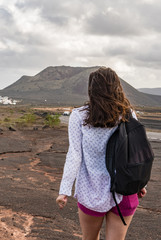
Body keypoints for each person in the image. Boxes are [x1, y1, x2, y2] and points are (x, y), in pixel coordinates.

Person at [56, 67, 147, 240]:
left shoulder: (79, 116)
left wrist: (64, 190)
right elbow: (136, 155)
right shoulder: (129, 114)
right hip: (124, 191)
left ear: (92, 89)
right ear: (117, 87)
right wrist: (140, 183)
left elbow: (74, 154)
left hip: (91, 191)